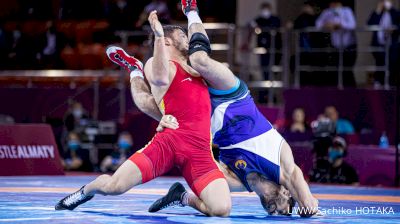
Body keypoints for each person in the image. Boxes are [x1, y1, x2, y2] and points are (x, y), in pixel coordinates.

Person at [117, 0, 318, 217]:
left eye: (275, 211)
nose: (278, 210)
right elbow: (301, 188)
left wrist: (184, 195)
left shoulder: (236, 181)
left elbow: (200, 173)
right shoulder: (281, 164)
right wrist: (309, 207)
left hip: (203, 113)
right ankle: (192, 10)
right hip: (232, 97)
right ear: (288, 193)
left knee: (148, 105)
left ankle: (134, 70)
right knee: (199, 59)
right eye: (284, 207)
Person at [55, 11, 231, 217]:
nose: (188, 39)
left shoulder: (200, 66)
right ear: (167, 41)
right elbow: (158, 78)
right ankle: (86, 191)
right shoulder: (160, 66)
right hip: (168, 144)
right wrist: (157, 36)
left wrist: (193, 11)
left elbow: (200, 38)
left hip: (198, 151)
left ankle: (181, 197)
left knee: (221, 210)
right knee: (115, 186)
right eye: (183, 36)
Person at [316, 0, 357, 87]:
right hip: (335, 47)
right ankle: (338, 92)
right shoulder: (328, 12)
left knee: (347, 70)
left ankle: (351, 93)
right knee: (336, 70)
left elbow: (352, 25)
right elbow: (318, 24)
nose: (332, 5)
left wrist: (340, 25)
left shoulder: (346, 11)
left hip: (348, 46)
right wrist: (326, 25)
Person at [242, 2, 281, 81]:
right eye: (263, 9)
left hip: (274, 49)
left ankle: (271, 89)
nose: (265, 11)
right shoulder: (259, 20)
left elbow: (277, 28)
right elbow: (250, 26)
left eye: (266, 9)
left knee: (273, 69)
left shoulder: (275, 19)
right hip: (262, 48)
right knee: (264, 68)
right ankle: (265, 89)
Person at [367, 0, 400, 87]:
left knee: (392, 63)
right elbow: (370, 24)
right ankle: (378, 82)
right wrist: (377, 10)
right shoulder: (378, 13)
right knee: (380, 63)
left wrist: (394, 28)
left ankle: (390, 83)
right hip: (379, 44)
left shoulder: (395, 13)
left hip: (392, 44)